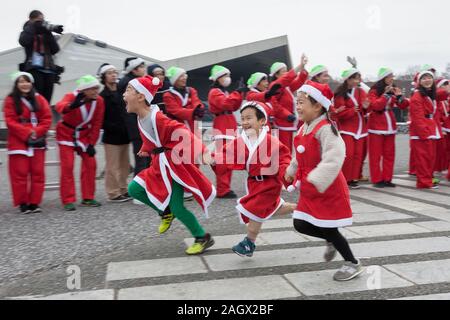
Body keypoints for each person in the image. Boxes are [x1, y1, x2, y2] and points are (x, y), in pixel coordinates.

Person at [124, 75, 216, 255]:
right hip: (159, 164)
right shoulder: (142, 117)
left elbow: (182, 132)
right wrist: (146, 148)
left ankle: (202, 237)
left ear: (141, 97)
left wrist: (203, 151)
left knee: (178, 207)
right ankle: (165, 211)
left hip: (173, 167)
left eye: (127, 90)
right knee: (134, 189)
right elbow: (154, 138)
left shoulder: (156, 117)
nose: (123, 94)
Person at [285, 80, 363, 281]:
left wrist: (318, 177)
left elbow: (336, 156)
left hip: (326, 187)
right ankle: (331, 241)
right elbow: (298, 154)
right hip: (310, 187)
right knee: (300, 224)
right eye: (297, 102)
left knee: (329, 227)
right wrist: (292, 169)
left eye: (302, 102)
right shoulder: (304, 128)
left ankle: (352, 263)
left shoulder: (326, 128)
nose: (298, 106)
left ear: (318, 105)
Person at [214, 102, 295, 257]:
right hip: (253, 183)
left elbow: (284, 160)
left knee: (255, 211)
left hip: (269, 183)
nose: (244, 122)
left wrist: (287, 174)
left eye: (249, 118)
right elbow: (225, 155)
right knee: (273, 208)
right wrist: (212, 159)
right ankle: (299, 208)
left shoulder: (272, 141)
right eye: (242, 118)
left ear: (262, 120)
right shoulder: (240, 141)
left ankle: (249, 243)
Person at [3, 72, 52, 213]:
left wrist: (36, 132)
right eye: (21, 82)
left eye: (27, 81)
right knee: (20, 173)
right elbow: (10, 121)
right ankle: (23, 202)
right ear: (16, 84)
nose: (25, 84)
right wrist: (27, 133)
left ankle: (34, 202)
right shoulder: (11, 100)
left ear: (31, 83)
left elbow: (47, 118)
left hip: (37, 140)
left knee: (38, 173)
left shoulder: (40, 99)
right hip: (18, 141)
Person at [55, 75, 105, 211]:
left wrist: (91, 144)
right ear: (84, 90)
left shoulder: (99, 101)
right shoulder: (71, 96)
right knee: (67, 166)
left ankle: (88, 198)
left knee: (90, 164)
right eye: (92, 89)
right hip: (66, 133)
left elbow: (97, 123)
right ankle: (68, 200)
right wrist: (71, 106)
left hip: (84, 135)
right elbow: (60, 106)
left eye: (97, 88)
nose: (96, 91)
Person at [367, 68, 409, 188]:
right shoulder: (374, 91)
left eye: (392, 76)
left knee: (389, 154)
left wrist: (400, 96)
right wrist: (385, 95)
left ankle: (387, 178)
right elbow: (376, 106)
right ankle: (377, 179)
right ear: (383, 78)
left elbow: (403, 105)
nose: (392, 78)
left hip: (390, 125)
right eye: (389, 76)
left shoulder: (394, 88)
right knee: (375, 155)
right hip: (376, 126)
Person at [208, 65, 245, 199]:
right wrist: (237, 92)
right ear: (218, 78)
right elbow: (226, 104)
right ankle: (223, 189)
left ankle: (225, 187)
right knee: (223, 160)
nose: (228, 78)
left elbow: (234, 105)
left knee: (228, 159)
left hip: (229, 123)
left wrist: (239, 93)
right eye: (225, 76)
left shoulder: (224, 92)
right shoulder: (214, 92)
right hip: (222, 125)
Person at [98, 63, 131, 203]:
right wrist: (113, 127)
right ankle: (113, 192)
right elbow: (100, 118)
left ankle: (123, 189)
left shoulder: (121, 92)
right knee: (112, 166)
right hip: (111, 135)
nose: (113, 74)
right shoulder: (102, 95)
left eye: (115, 72)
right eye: (110, 72)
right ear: (104, 76)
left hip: (124, 134)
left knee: (125, 165)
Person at [332, 68, 369, 189]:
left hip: (361, 128)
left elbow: (366, 108)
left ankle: (354, 178)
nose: (356, 81)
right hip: (347, 128)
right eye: (354, 78)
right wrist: (352, 111)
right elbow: (339, 114)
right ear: (347, 79)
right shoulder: (340, 94)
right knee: (349, 154)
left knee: (358, 155)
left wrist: (366, 107)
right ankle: (345, 179)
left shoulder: (361, 91)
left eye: (358, 78)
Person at [18, 10, 64, 103]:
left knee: (46, 101)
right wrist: (33, 26)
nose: (41, 22)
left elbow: (55, 49)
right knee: (36, 99)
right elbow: (24, 41)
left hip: (49, 69)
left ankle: (45, 117)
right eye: (38, 20)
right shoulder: (27, 31)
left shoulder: (46, 33)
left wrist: (48, 32)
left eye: (42, 20)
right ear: (31, 20)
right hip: (34, 69)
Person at [409, 71, 444, 189]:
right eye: (424, 78)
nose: (427, 80)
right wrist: (424, 133)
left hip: (430, 128)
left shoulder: (430, 93)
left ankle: (428, 179)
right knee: (423, 158)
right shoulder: (417, 96)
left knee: (430, 157)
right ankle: (424, 181)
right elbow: (417, 116)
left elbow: (444, 93)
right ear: (419, 82)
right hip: (422, 131)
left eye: (429, 78)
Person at [269, 55, 309, 153]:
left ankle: (286, 167)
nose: (286, 73)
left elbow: (299, 81)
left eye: (287, 70)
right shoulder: (274, 86)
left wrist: (303, 68)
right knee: (284, 151)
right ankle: (283, 168)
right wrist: (287, 115)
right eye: (283, 71)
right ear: (276, 75)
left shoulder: (287, 87)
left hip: (289, 123)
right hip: (282, 123)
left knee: (289, 151)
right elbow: (275, 106)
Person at [117, 57, 149, 178]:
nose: (144, 69)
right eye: (141, 67)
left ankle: (144, 188)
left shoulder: (131, 82)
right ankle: (138, 190)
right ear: (134, 70)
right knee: (141, 160)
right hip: (136, 125)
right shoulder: (130, 84)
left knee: (144, 159)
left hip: (137, 124)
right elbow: (133, 107)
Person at [163, 66, 205, 135]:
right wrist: (193, 112)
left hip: (193, 128)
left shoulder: (191, 90)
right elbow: (176, 111)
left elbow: (196, 102)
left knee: (196, 145)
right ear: (175, 80)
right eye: (181, 76)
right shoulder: (168, 95)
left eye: (184, 75)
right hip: (177, 129)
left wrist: (199, 108)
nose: (184, 78)